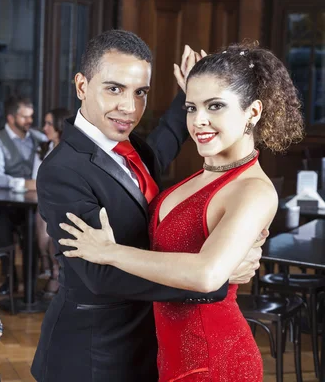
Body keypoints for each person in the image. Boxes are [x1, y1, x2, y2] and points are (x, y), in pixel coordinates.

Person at [59, 41, 304, 381]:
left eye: (215, 105)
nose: (199, 121)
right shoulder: (200, 175)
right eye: (192, 107)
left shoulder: (253, 190)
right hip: (167, 354)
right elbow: (165, 144)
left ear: (253, 112)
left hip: (212, 359)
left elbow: (206, 275)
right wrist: (194, 91)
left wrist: (111, 252)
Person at [0, 96, 47, 295]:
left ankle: (31, 282)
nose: (30, 121)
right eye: (24, 117)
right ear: (11, 118)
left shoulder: (39, 139)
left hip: (33, 202)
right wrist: (23, 183)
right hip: (5, 204)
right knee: (1, 228)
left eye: (31, 116)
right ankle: (10, 277)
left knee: (35, 230)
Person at [33, 108, 70, 295]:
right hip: (45, 201)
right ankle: (50, 267)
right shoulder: (43, 148)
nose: (45, 127)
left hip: (66, 204)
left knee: (49, 225)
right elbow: (35, 178)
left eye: (49, 123)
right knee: (40, 217)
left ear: (59, 125)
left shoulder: (69, 149)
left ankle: (55, 273)